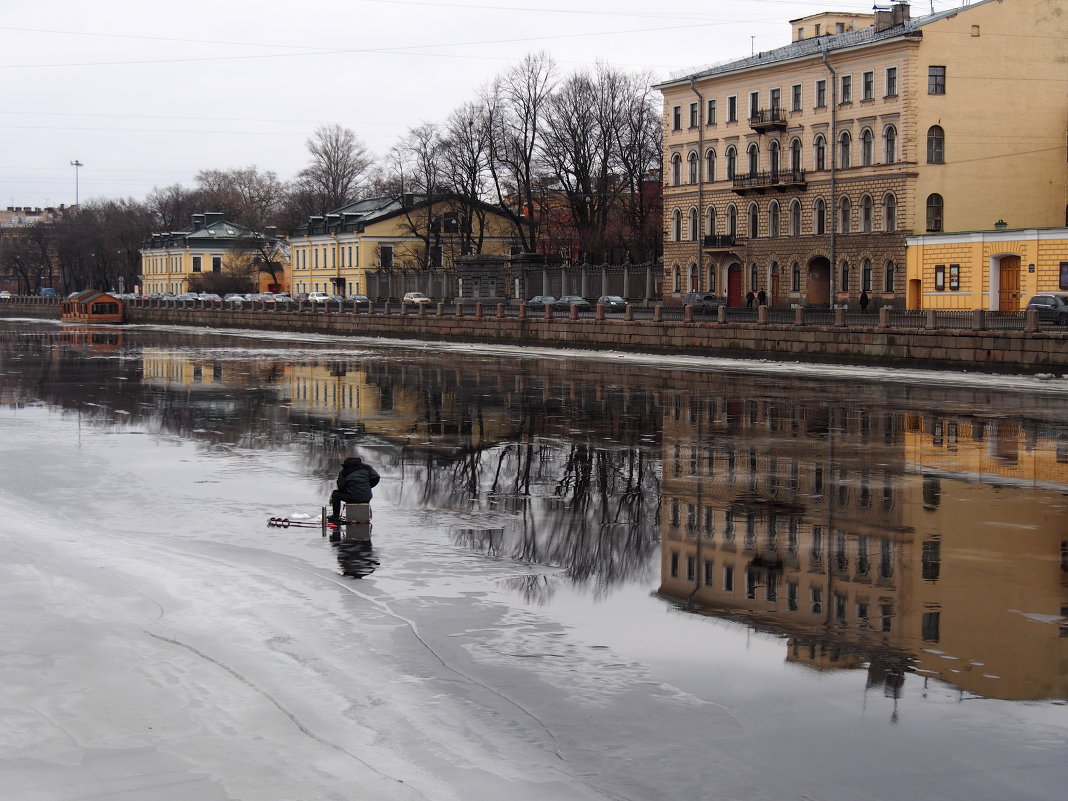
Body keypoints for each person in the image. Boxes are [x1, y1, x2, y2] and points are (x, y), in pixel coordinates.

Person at [328, 456, 380, 524]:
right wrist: (368, 486)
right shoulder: (367, 467)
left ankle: (335, 516)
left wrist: (349, 490)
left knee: (335, 494)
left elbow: (340, 487)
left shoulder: (344, 472)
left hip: (352, 497)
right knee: (360, 494)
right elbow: (376, 477)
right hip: (367, 497)